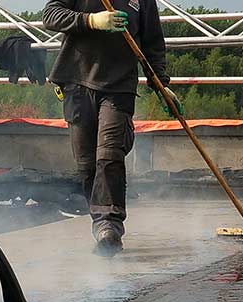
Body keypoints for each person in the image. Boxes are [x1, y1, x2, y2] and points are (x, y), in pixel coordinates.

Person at [42, 0, 173, 257]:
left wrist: (161, 84)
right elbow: (50, 15)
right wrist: (92, 21)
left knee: (109, 154)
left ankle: (109, 224)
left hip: (119, 86)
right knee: (87, 164)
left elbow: (152, 45)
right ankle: (99, 221)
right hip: (77, 82)